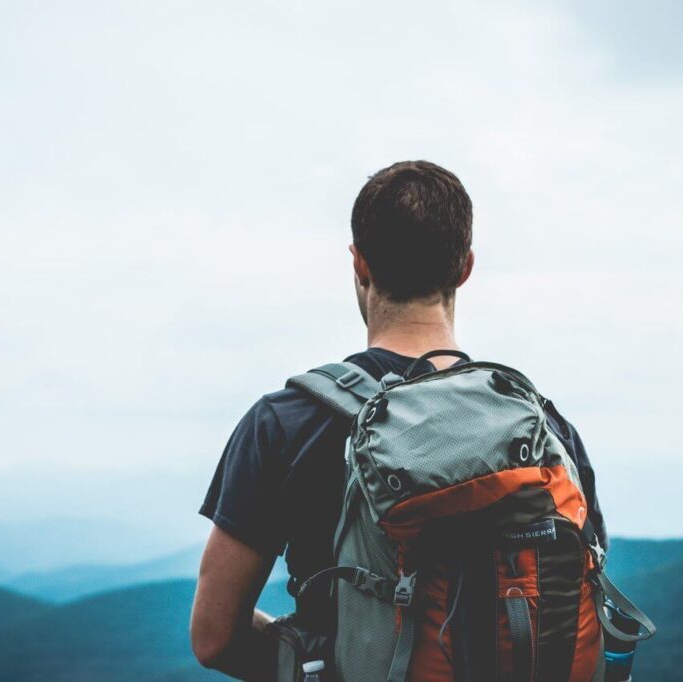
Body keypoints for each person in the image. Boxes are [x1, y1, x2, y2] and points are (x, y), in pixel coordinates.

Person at [189, 160, 606, 680]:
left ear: (359, 263)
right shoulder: (544, 427)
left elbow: (214, 638)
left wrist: (314, 662)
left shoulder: (285, 424)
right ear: (465, 267)